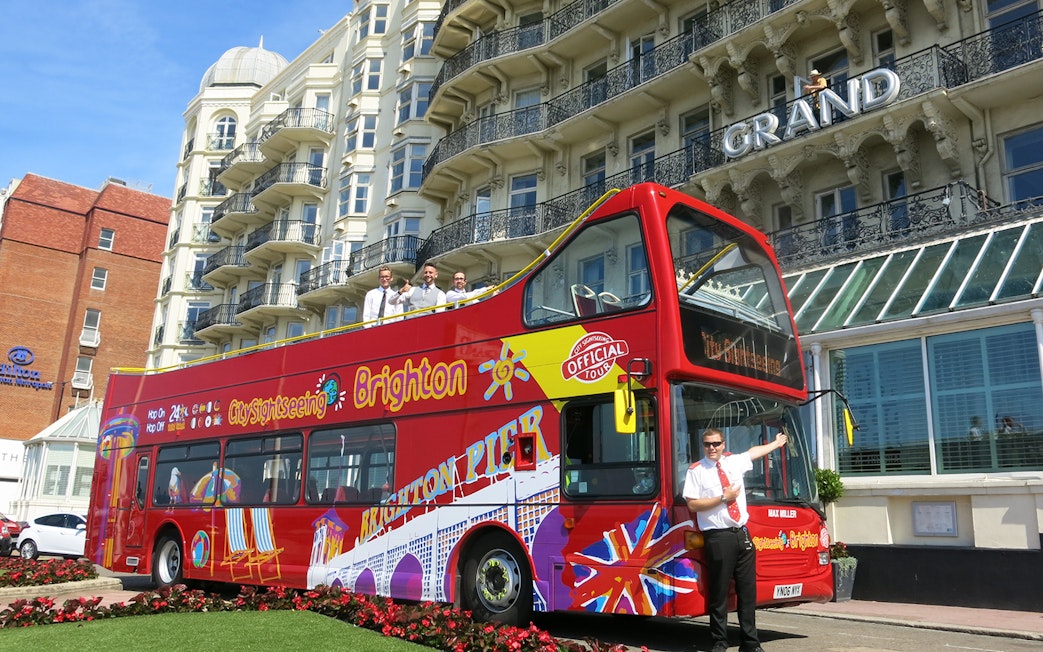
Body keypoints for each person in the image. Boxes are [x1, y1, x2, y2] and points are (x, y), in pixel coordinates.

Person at [683, 427, 788, 652]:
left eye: (716, 444)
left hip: (741, 533)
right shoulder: (697, 470)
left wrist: (776, 444)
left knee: (747, 592)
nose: (712, 448)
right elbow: (692, 504)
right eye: (708, 444)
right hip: (717, 536)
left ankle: (750, 643)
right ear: (703, 446)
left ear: (723, 444)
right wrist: (724, 498)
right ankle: (719, 643)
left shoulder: (733, 462)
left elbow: (753, 452)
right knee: (719, 593)